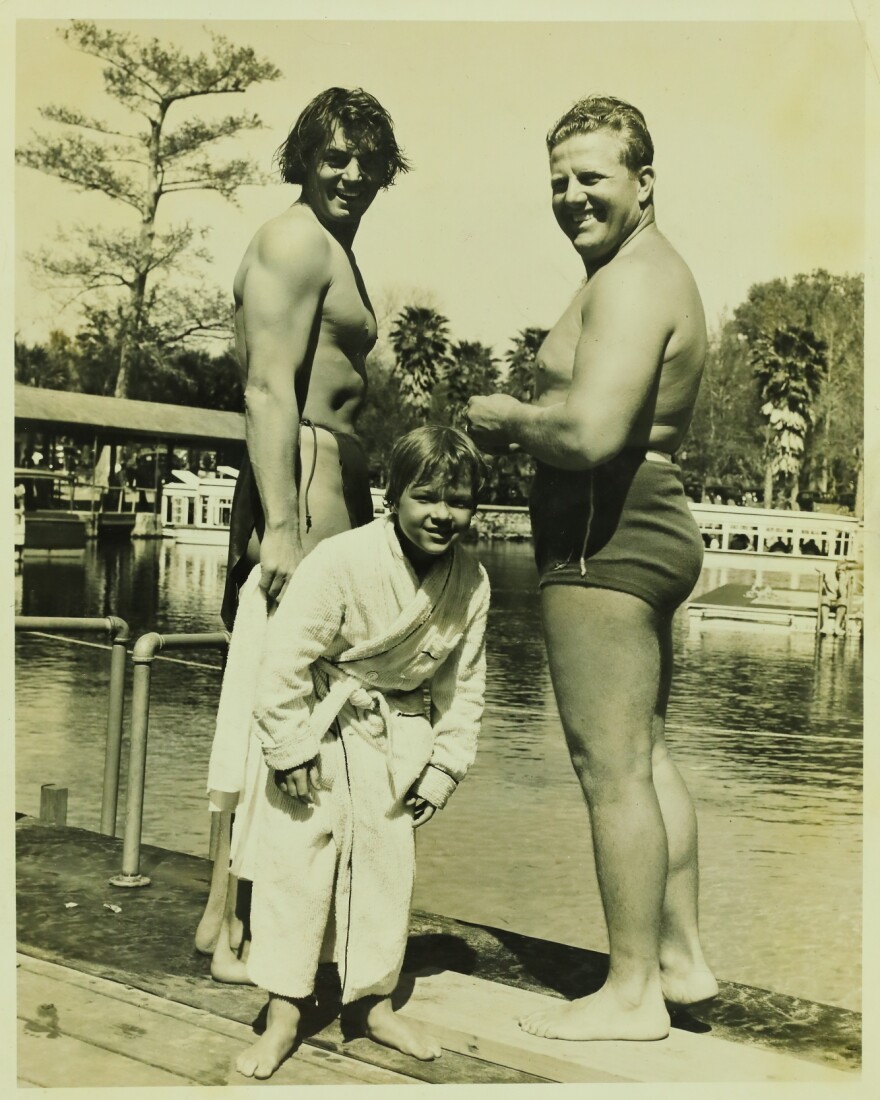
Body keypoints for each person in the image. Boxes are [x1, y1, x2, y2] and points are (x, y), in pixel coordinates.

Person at [467, 94, 717, 1041]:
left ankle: (631, 992)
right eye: (559, 181)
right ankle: (680, 962)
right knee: (644, 755)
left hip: (604, 532)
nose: (572, 196)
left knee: (608, 768)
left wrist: (505, 417)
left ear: (644, 183)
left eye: (592, 178)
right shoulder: (640, 269)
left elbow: (589, 432)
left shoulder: (634, 280)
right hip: (637, 523)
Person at [196, 86, 410, 978]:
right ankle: (239, 932)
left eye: (368, 160)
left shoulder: (332, 243)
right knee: (288, 700)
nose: (352, 173)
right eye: (335, 156)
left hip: (326, 479)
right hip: (306, 486)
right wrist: (282, 527)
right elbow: (266, 387)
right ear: (302, 158)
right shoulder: (295, 240)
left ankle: (226, 917)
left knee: (276, 691)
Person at [207, 425, 490, 1079]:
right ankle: (283, 1012)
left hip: (395, 744)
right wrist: (289, 749)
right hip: (317, 727)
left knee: (388, 874)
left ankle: (372, 1004)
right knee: (296, 870)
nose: (443, 514)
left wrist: (444, 766)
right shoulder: (342, 559)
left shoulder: (471, 583)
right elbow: (282, 660)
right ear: (394, 495)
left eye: (459, 501)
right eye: (427, 497)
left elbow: (464, 687)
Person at [818, 561, 848, 636]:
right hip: (829, 599)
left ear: (845, 570)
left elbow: (843, 594)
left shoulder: (845, 577)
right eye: (839, 570)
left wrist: (841, 582)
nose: (840, 572)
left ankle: (837, 626)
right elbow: (816, 567)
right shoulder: (829, 575)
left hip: (839, 602)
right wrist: (821, 572)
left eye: (843, 570)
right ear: (836, 569)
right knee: (824, 598)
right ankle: (825, 626)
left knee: (843, 600)